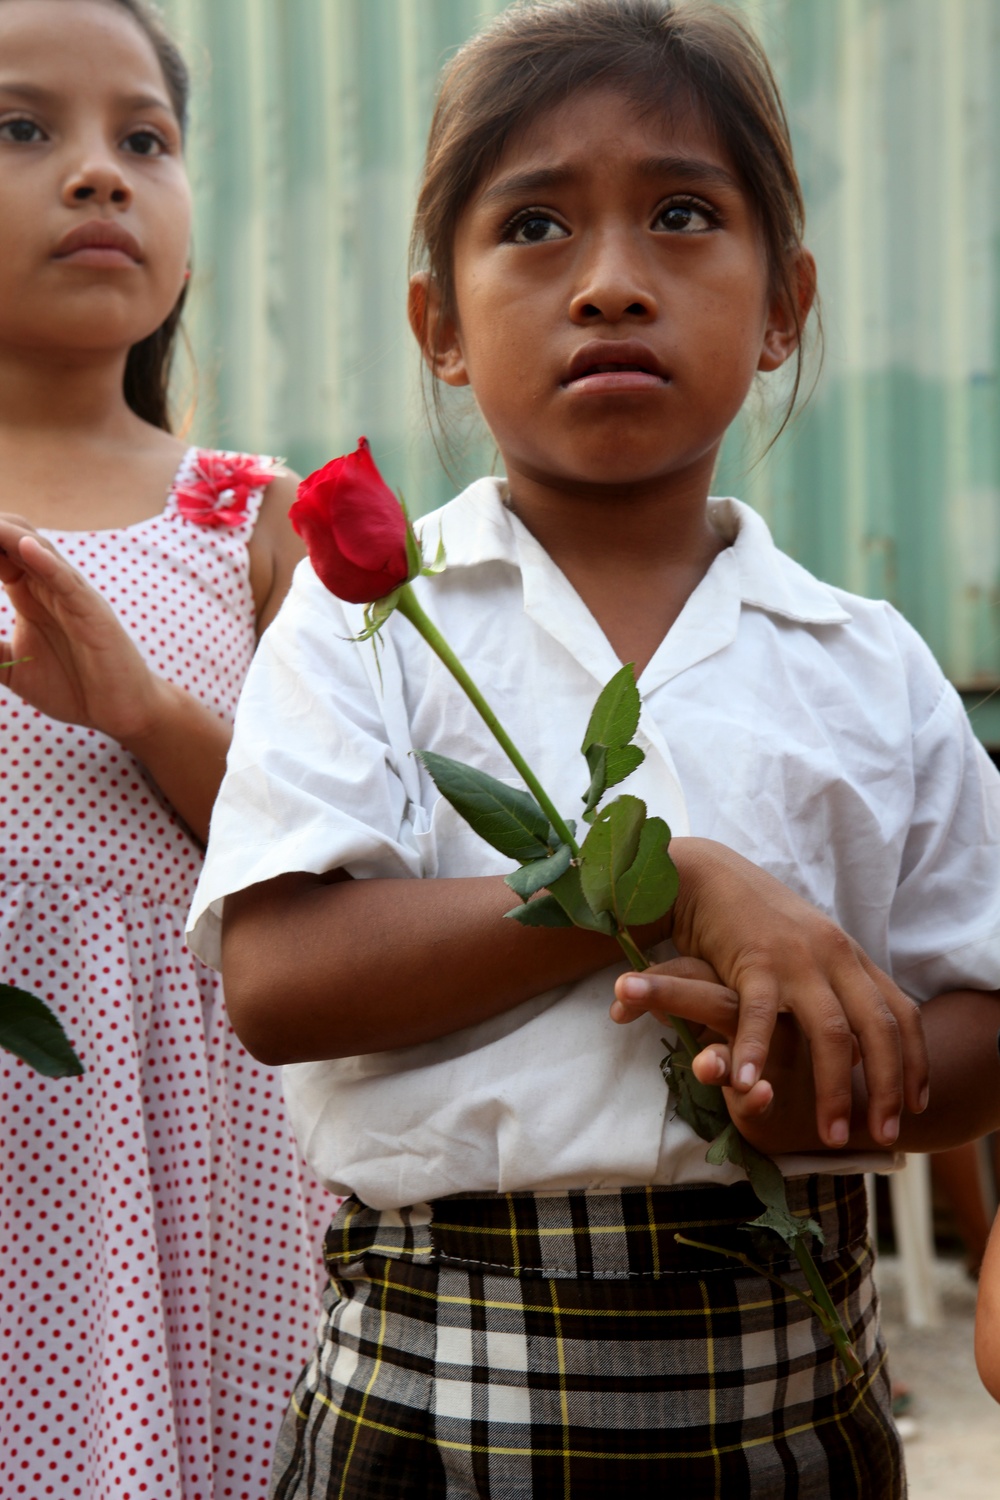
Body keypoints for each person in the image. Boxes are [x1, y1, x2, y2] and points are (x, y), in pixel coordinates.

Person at [188, 2, 1000, 1495]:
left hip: (791, 1387)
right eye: (539, 225)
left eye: (684, 215)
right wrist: (650, 887)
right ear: (439, 326)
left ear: (784, 306)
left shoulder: (867, 667)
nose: (613, 283)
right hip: (432, 1386)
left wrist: (820, 1086)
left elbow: (980, 1022)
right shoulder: (368, 622)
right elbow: (282, 976)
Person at [0, 3, 330, 1498]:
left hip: (196, 1150)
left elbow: (319, 860)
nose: (98, 175)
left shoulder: (250, 519)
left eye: (146, 138)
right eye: (23, 129)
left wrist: (143, 711)